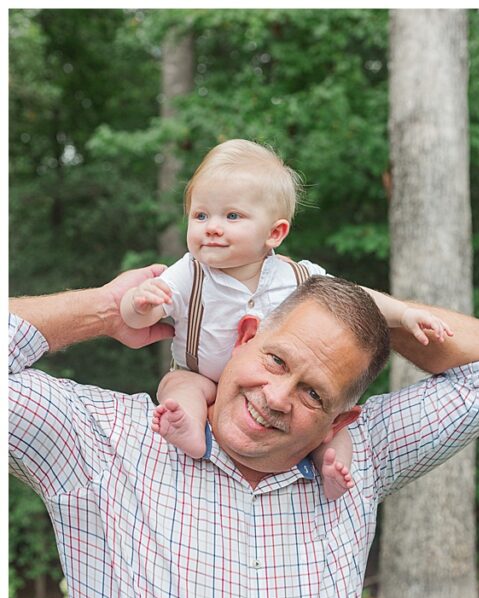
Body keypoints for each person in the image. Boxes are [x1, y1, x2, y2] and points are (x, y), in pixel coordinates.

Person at [9, 268, 479, 598]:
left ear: (342, 419)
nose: (275, 398)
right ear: (243, 335)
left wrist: (366, 307)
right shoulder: (104, 442)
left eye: (314, 393)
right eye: (275, 360)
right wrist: (106, 311)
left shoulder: (359, 458)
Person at [119, 139, 451, 500]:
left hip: (271, 389)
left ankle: (333, 468)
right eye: (200, 215)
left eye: (232, 216)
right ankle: (190, 431)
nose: (212, 227)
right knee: (178, 389)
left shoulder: (296, 276)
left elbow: (357, 299)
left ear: (275, 233)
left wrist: (404, 314)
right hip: (200, 374)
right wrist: (140, 305)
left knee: (335, 429)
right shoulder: (189, 273)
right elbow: (138, 320)